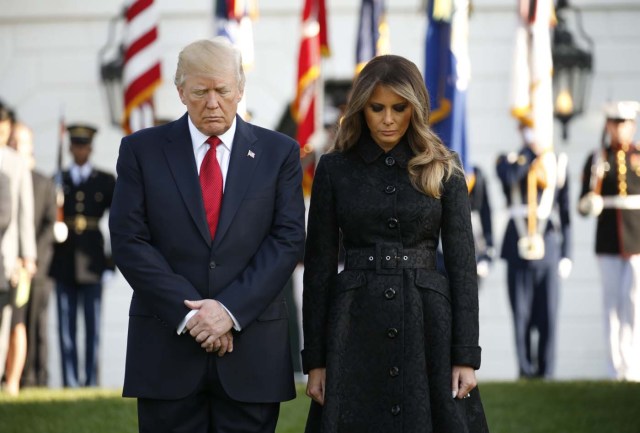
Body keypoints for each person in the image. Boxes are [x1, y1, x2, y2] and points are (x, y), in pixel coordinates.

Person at [109, 38, 305, 433]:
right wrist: (191, 314)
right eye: (200, 92)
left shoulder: (278, 153)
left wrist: (227, 312)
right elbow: (130, 241)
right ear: (181, 92)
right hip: (168, 348)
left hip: (252, 354)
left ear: (240, 89)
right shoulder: (140, 151)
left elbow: (286, 241)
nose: (212, 102)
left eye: (222, 90)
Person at [302, 55, 488, 433]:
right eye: (377, 108)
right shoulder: (334, 168)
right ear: (361, 109)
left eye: (399, 108)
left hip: (429, 326)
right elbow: (318, 267)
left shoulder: (445, 167)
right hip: (353, 322)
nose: (388, 119)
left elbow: (462, 267)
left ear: (415, 107)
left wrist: (465, 355)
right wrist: (316, 360)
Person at [496, 123, 571, 379]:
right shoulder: (508, 160)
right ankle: (525, 371)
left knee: (547, 315)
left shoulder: (557, 163)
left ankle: (546, 372)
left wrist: (567, 253)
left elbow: (566, 213)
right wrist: (531, 153)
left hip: (548, 247)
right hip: (517, 246)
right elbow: (509, 178)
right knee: (521, 317)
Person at [49, 123, 115, 387]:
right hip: (63, 261)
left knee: (92, 327)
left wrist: (111, 264)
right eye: (75, 145)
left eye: (84, 145)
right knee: (66, 327)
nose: (80, 150)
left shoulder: (105, 180)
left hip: (93, 263)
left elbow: (120, 223)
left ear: (91, 148)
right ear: (69, 147)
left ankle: (90, 381)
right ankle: (70, 381)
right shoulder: (58, 179)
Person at [578, 100, 640, 382]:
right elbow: (583, 202)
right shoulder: (596, 158)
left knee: (634, 302)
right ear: (608, 125)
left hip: (637, 238)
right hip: (608, 239)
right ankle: (615, 368)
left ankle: (633, 365)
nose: (620, 129)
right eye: (615, 123)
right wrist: (591, 201)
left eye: (625, 123)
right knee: (612, 304)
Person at [8, 123, 57, 389]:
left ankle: (36, 378)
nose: (16, 147)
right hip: (9, 267)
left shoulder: (43, 181)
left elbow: (50, 224)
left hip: (36, 268)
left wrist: (31, 257)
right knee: (13, 323)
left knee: (36, 324)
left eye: (21, 142)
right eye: (12, 142)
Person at [0, 102, 37, 393]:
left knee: (7, 320)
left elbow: (25, 213)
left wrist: (27, 256)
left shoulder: (15, 162)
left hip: (7, 257)